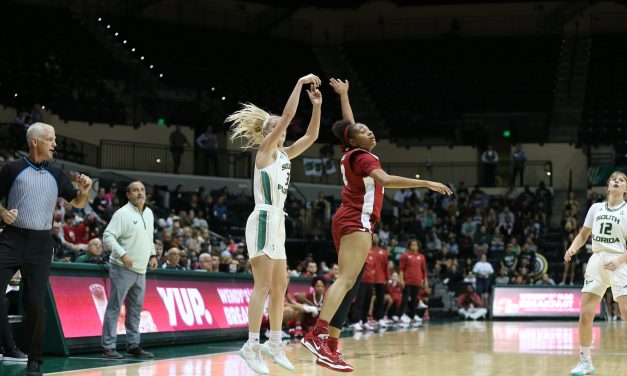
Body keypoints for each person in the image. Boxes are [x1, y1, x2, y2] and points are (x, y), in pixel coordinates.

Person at [301, 78, 452, 372]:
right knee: (345, 281)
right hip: (357, 218)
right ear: (353, 141)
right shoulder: (362, 157)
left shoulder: (353, 151)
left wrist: (344, 95)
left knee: (351, 285)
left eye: (368, 128)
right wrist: (426, 183)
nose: (368, 130)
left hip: (349, 216)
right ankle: (317, 335)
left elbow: (350, 125)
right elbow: (383, 180)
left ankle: (331, 345)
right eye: (362, 131)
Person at [226, 73, 322, 375]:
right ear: (268, 132)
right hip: (264, 217)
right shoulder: (265, 152)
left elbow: (311, 137)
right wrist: (299, 83)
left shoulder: (284, 156)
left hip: (278, 221)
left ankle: (275, 341)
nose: (280, 128)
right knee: (263, 285)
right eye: (275, 125)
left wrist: (317, 106)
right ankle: (251, 344)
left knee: (281, 286)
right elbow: (290, 116)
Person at [0, 122, 92, 376]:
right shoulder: (12, 169)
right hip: (11, 239)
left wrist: (84, 192)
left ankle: (34, 360)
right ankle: (8, 345)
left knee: (35, 304)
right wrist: (3, 213)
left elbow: (78, 203)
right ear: (35, 142)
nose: (55, 144)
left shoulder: (57, 173)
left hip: (41, 244)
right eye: (51, 139)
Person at [563, 171, 627, 375]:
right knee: (585, 314)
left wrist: (619, 260)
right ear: (608, 186)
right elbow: (583, 235)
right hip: (597, 260)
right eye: (614, 180)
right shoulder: (595, 208)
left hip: (620, 261)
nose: (617, 182)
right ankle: (585, 361)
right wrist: (573, 247)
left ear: (625, 189)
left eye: (622, 180)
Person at [101, 181, 158, 360]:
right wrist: (122, 254)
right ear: (128, 194)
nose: (140, 193)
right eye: (135, 190)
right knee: (115, 307)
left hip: (141, 269)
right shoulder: (122, 214)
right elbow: (107, 236)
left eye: (142, 190)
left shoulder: (148, 213)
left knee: (135, 309)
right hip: (122, 267)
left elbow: (149, 237)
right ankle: (108, 346)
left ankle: (133, 345)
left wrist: (153, 255)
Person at [398, 239, 428, 327]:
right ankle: (401, 315)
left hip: (417, 282)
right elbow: (401, 269)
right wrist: (401, 279)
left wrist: (425, 282)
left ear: (418, 246)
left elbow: (424, 271)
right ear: (409, 246)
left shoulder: (421, 257)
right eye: (412, 245)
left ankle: (412, 316)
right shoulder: (405, 255)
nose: (414, 246)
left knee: (415, 300)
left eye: (415, 245)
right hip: (407, 281)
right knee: (405, 299)